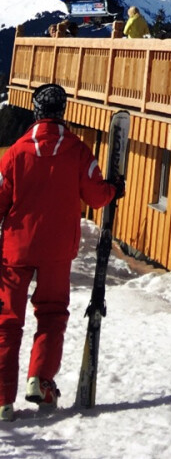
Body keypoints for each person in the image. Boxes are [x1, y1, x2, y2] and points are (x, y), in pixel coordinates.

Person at [0, 83, 121, 421]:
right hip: (57, 248)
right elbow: (97, 196)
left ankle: (2, 399)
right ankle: (40, 379)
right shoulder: (77, 150)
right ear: (62, 111)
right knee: (52, 313)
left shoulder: (15, 152)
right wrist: (114, 189)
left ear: (36, 112)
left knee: (8, 322)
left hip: (16, 247)